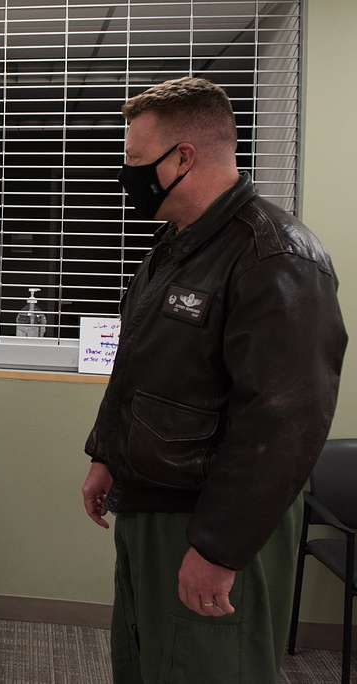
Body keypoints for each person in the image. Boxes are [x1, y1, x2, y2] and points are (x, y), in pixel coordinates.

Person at [81, 77, 347, 683]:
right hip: (151, 502)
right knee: (149, 660)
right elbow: (140, 365)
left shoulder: (275, 258)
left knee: (210, 668)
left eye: (134, 161)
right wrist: (107, 456)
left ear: (184, 158)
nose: (126, 175)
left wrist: (219, 548)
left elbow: (283, 425)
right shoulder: (177, 246)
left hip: (209, 519)